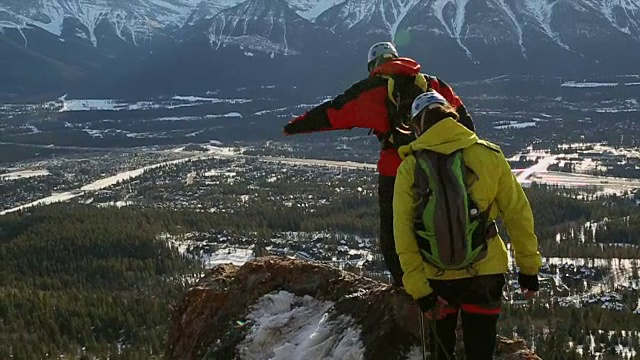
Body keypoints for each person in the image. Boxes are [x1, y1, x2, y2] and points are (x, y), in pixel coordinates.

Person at [283, 41, 474, 286]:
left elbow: (334, 113)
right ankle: (449, 273)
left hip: (395, 169)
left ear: (373, 65)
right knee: (442, 216)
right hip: (441, 166)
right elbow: (463, 119)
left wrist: (295, 126)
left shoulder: (373, 89)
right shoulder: (432, 84)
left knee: (395, 230)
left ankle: (406, 285)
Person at [393, 91, 542, 359]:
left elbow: (403, 233)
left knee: (442, 350)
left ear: (417, 127)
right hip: (484, 273)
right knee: (480, 349)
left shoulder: (410, 167)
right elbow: (518, 214)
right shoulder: (488, 155)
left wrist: (420, 290)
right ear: (453, 116)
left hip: (436, 276)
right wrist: (528, 268)